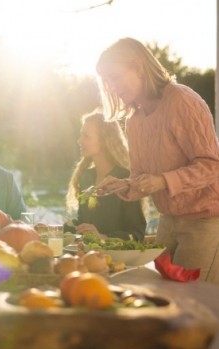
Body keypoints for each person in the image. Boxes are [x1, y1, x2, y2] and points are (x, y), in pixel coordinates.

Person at [95, 37, 219, 284]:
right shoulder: (134, 121)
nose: (112, 86)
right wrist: (125, 186)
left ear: (138, 67)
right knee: (166, 298)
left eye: (116, 77)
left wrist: (163, 181)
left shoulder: (181, 100)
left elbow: (212, 166)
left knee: (192, 302)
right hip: (168, 223)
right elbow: (142, 178)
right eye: (107, 81)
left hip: (205, 222)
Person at [65, 111, 146, 241]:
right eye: (81, 135)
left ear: (104, 140)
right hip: (88, 256)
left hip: (117, 259)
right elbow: (82, 223)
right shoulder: (85, 176)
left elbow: (137, 234)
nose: (79, 140)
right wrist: (51, 230)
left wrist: (104, 238)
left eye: (86, 136)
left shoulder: (124, 180)